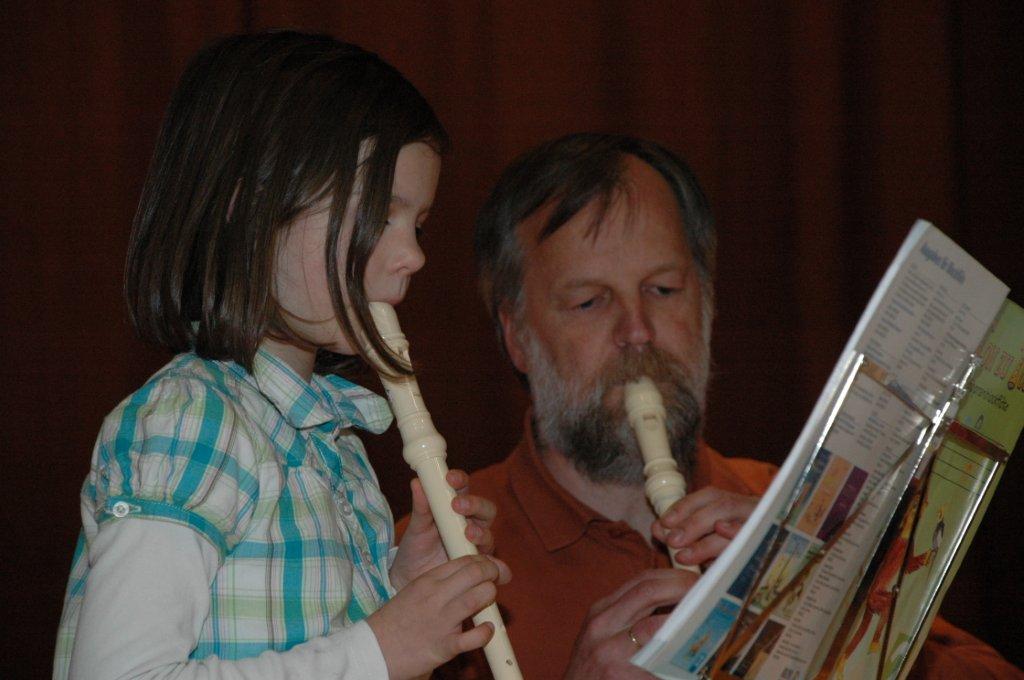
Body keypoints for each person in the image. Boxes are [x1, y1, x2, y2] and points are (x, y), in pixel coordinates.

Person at [438, 133, 1022, 678]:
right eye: (590, 301)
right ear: (517, 336)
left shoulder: (788, 509)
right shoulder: (444, 551)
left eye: (664, 290)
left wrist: (835, 620)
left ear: (708, 305)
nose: (637, 331)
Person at [54, 32, 510, 680]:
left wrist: (402, 585)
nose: (413, 255)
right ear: (249, 208)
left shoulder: (331, 442)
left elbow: (303, 638)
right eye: (379, 214)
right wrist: (378, 651)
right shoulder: (193, 422)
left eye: (419, 224)